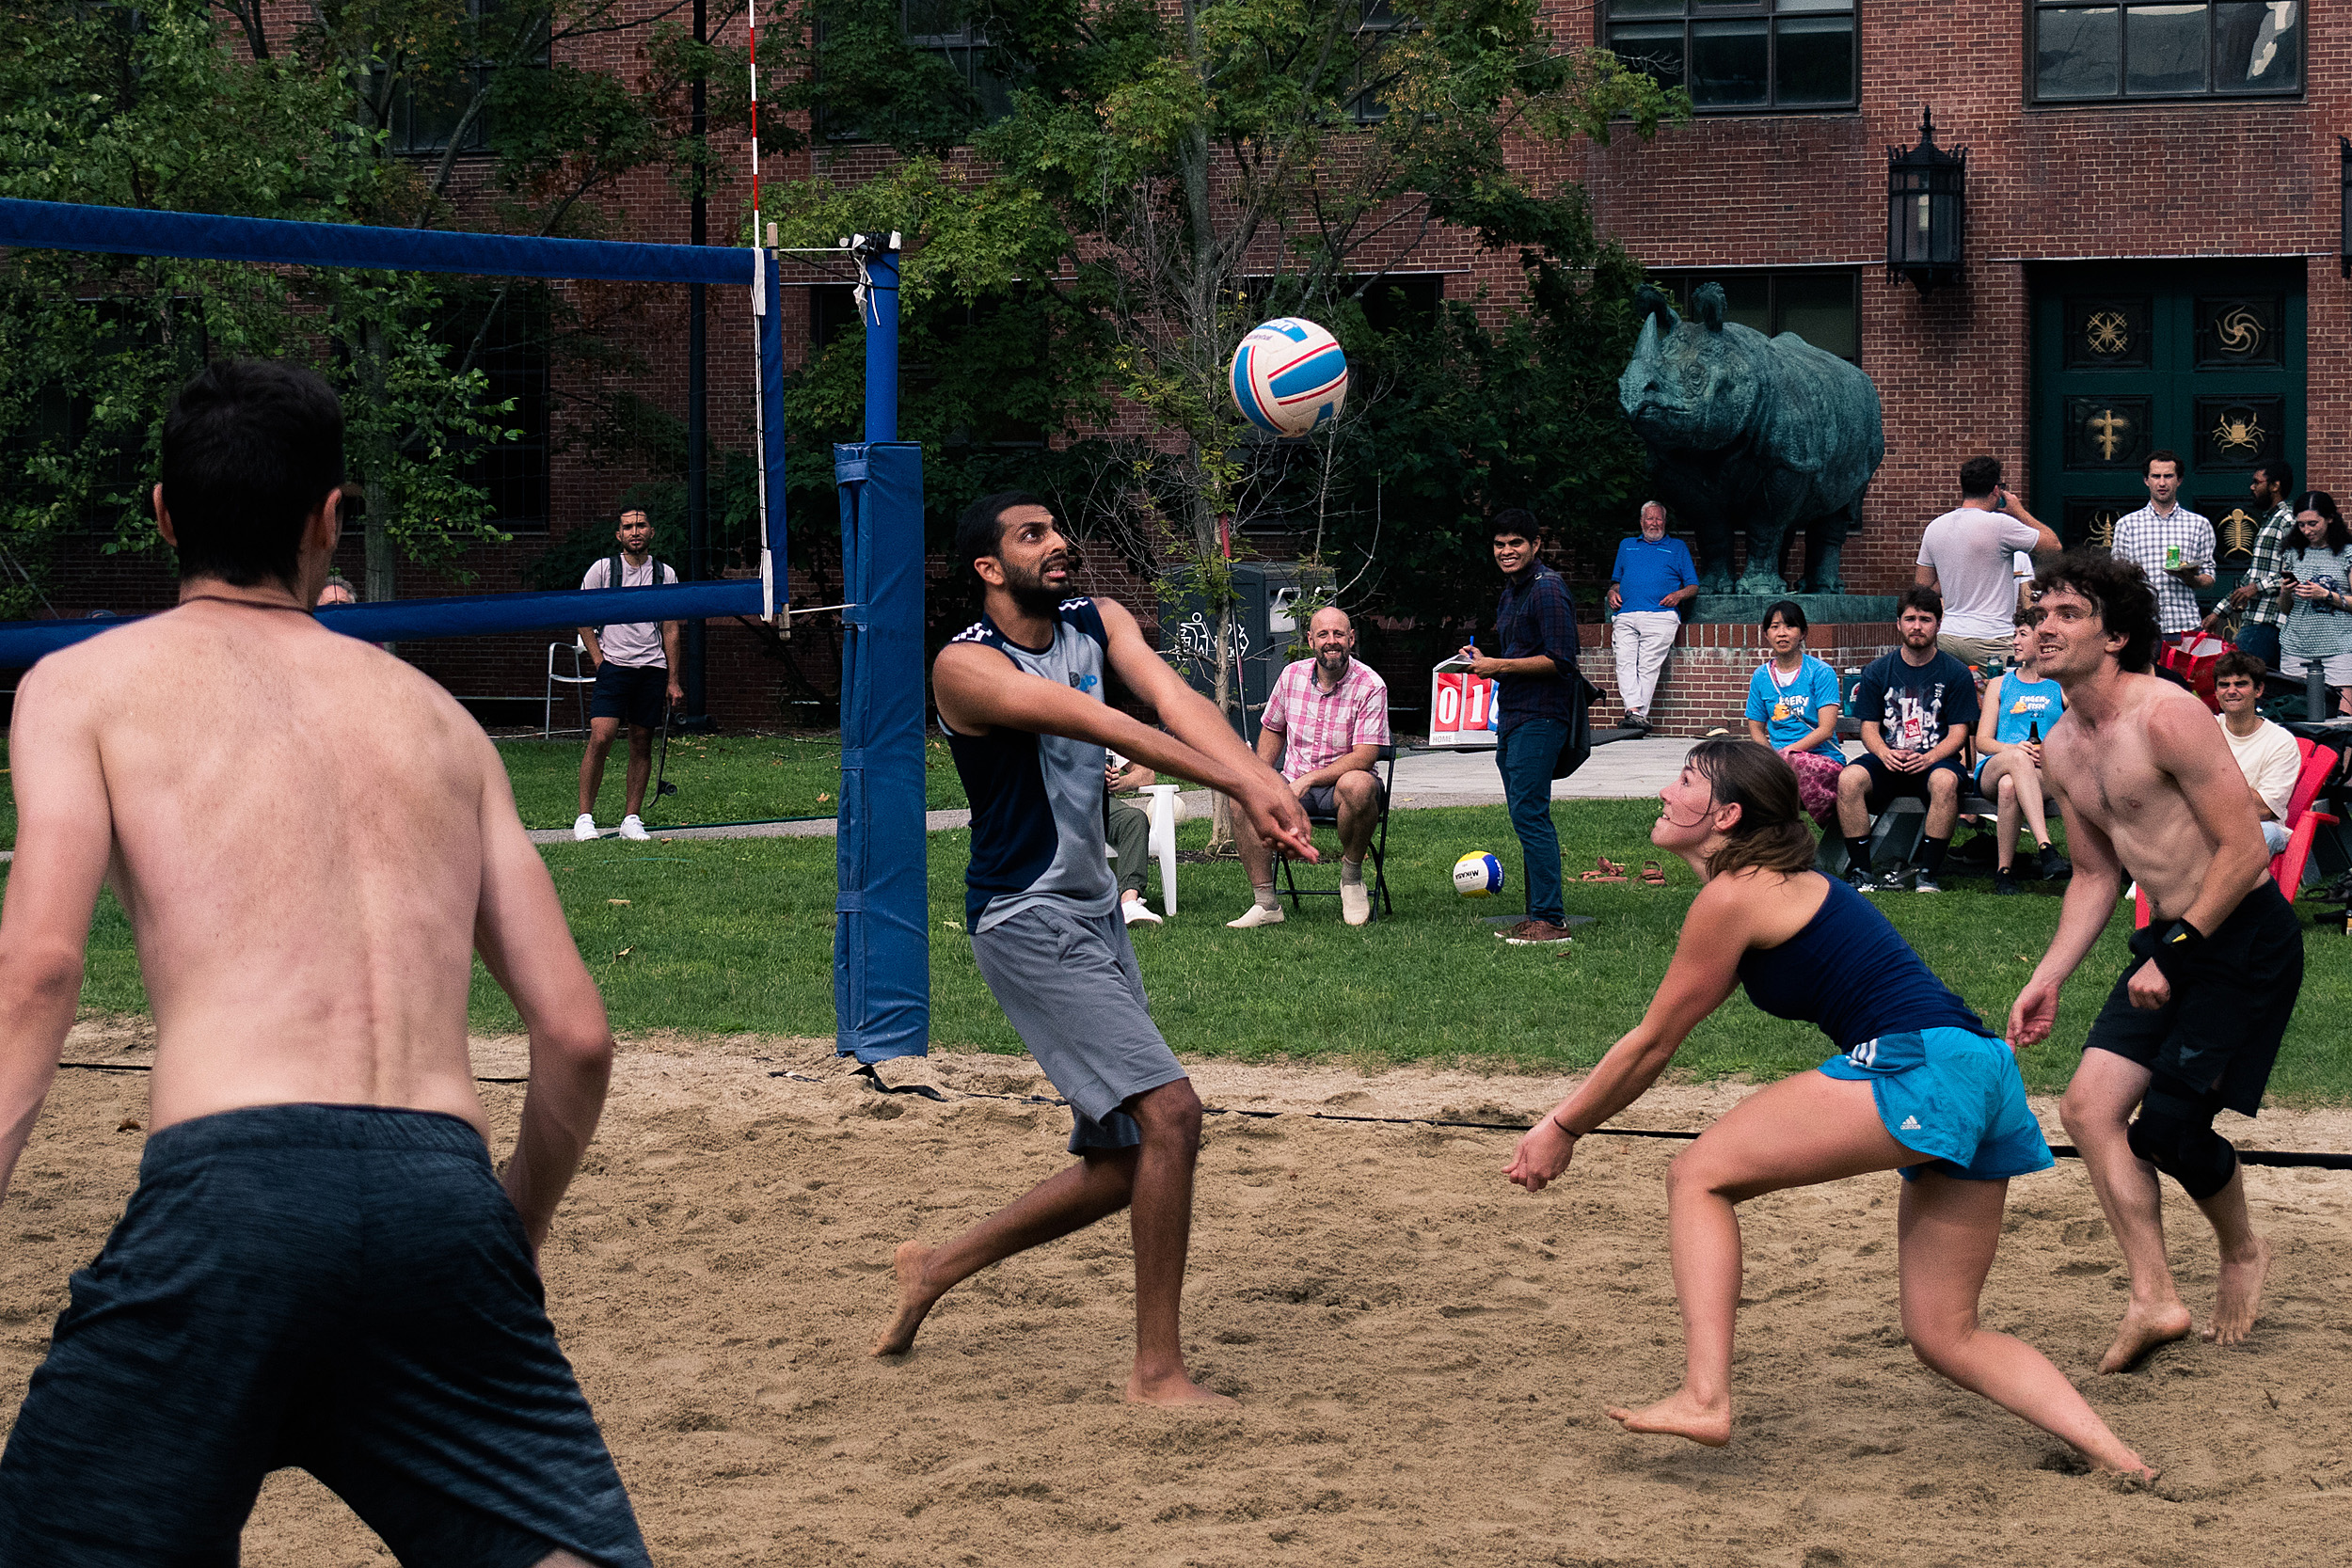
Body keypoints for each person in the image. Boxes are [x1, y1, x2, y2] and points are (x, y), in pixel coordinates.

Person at [0, 359, 644, 1564]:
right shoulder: (437, 719)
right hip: (440, 1194)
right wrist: (510, 1231)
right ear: (329, 517)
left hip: (229, 1190)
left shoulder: (80, 688)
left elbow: (38, 968)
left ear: (160, 513)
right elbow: (575, 1036)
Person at [1502, 740, 2150, 1477]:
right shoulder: (1774, 883)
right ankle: (2120, 1458)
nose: (1663, 790)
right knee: (1946, 1333)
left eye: (1682, 781)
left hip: (1922, 1065)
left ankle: (1706, 1395)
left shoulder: (1736, 892)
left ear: (1726, 814)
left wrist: (1563, 1126)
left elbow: (1654, 1044)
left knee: (1698, 1176)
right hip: (1981, 1070)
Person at [874, 491, 1313, 1404]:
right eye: (1031, 535)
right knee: (1174, 1117)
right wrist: (1243, 777)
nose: (1058, 542)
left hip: (1093, 913)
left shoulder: (1095, 618)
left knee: (1124, 1162)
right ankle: (1157, 1371)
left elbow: (1169, 696)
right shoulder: (964, 667)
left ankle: (934, 1267)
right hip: (1025, 918)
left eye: (1055, 528)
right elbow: (1107, 724)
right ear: (988, 568)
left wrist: (1258, 774)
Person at [2009, 551, 2296, 1374]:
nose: (2045, 627)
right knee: (2088, 1111)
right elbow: (2099, 874)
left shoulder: (2166, 716)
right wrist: (2049, 974)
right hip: (2169, 944)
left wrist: (2177, 949)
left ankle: (2241, 1248)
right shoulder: (2060, 745)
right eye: (2040, 614)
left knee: (2167, 1129)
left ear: (2117, 635)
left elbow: (2246, 850)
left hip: (2240, 938)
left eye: (2068, 613)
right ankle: (2155, 1295)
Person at [1459, 510, 1582, 945]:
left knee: (1531, 814)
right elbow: (1522, 653)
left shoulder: (1548, 590)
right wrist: (1482, 661)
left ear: (1535, 546)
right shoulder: (1512, 593)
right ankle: (1537, 913)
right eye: (1499, 544)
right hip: (1512, 715)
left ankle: (1550, 920)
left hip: (1541, 717)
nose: (1507, 552)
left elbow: (1561, 659)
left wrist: (1499, 665)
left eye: (1516, 543)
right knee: (1524, 814)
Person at [1228, 606, 1391, 928]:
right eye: (1324, 635)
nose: (1332, 641)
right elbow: (1274, 728)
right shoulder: (1292, 676)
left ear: (1351, 639)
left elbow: (1365, 756)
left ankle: (1352, 880)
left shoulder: (1371, 685)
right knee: (1243, 794)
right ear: (1310, 640)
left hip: (1343, 787)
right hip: (1293, 781)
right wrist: (1260, 777)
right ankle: (1266, 903)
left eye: (1339, 634)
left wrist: (1308, 780)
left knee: (1357, 785)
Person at [1835, 587, 1979, 894]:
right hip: (1889, 759)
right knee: (1849, 779)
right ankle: (1862, 872)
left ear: (1938, 625)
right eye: (1910, 618)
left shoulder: (1955, 673)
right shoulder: (1877, 671)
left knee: (1944, 782)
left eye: (1925, 619)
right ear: (1898, 624)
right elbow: (1869, 728)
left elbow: (1958, 732)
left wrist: (1929, 758)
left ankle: (1927, 874)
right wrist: (1884, 753)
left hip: (1934, 761)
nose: (1917, 626)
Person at [572, 508, 684, 843]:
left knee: (641, 742)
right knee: (602, 737)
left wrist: (673, 679)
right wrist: (599, 661)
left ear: (652, 532)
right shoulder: (603, 570)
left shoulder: (665, 574)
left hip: (652, 668)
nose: (635, 531)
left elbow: (671, 628)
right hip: (614, 667)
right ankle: (584, 818)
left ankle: (631, 819)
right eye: (627, 527)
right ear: (618, 535)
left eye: (641, 525)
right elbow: (581, 613)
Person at [1915, 455, 2059, 668]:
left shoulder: (1935, 527)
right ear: (1995, 490)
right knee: (2001, 698)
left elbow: (1923, 587)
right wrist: (2019, 511)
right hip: (1992, 637)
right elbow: (2053, 545)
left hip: (1949, 635)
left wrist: (1953, 575)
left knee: (1956, 699)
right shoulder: (2001, 525)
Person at [1973, 610, 2070, 895]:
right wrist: (2014, 748)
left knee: (2009, 786)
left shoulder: (2061, 686)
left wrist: (2051, 754)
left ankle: (2004, 873)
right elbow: (1982, 742)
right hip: (1994, 766)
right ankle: (2045, 847)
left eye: (2022, 635)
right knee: (2013, 765)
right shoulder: (2000, 685)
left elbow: (2078, 737)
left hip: (2044, 775)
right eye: (2015, 634)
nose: (2014, 641)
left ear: (2041, 641)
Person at [1741, 599, 1843, 824]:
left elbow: (1826, 730)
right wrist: (1770, 758)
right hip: (1780, 762)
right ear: (1766, 634)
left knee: (1794, 768)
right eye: (1775, 627)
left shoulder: (1820, 672)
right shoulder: (1761, 676)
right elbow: (1756, 727)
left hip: (1821, 758)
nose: (1782, 634)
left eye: (1790, 626)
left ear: (1803, 633)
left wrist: (1787, 754)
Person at [1606, 501, 1698, 733]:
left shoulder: (1677, 547)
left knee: (1648, 665)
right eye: (1650, 519)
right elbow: (1616, 581)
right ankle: (1636, 714)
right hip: (1625, 614)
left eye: (1659, 519)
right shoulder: (1627, 545)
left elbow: (1693, 585)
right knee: (1624, 662)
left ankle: (1635, 713)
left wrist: (1678, 594)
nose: (1654, 523)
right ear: (1641, 522)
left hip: (1661, 615)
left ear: (1664, 523)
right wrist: (1612, 591)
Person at [2109, 451, 2215, 641]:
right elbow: (2117, 577)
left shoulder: (2199, 524)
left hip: (2185, 624)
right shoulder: (2127, 524)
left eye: (2168, 476)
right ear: (2146, 480)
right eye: (2156, 476)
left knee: (2182, 673)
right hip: (2142, 625)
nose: (2162, 483)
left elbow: (2209, 577)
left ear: (2179, 480)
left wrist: (2191, 578)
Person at [2212, 651, 2302, 860]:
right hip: (2206, 821)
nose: (2231, 691)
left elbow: (2264, 809)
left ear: (2259, 689)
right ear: (2216, 692)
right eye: (2224, 685)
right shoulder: (2205, 728)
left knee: (2263, 833)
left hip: (2260, 826)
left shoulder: (2280, 742)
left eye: (2240, 684)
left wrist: (2207, 790)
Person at [2277, 489, 2352, 714]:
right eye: (2301, 525)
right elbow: (2286, 609)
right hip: (2296, 644)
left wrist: (2327, 596)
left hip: (2339, 645)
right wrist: (2285, 592)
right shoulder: (2293, 554)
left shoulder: (2347, 553)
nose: (2307, 530)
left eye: (2313, 523)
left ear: (2330, 518)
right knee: (2296, 712)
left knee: (2343, 718)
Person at [2216, 461, 2296, 672]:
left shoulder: (2287, 520)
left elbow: (2295, 571)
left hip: (2269, 622)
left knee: (2236, 676)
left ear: (2275, 485)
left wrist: (2256, 588)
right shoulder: (2270, 521)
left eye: (2256, 482)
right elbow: (2251, 577)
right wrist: (2218, 612)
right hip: (2254, 620)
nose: (2252, 487)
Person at [1104, 751, 1163, 926]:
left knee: (1134, 819)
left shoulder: (1102, 733)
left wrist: (1119, 782)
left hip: (1100, 804)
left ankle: (1129, 901)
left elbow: (1146, 773)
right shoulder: (1051, 730)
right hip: (1057, 802)